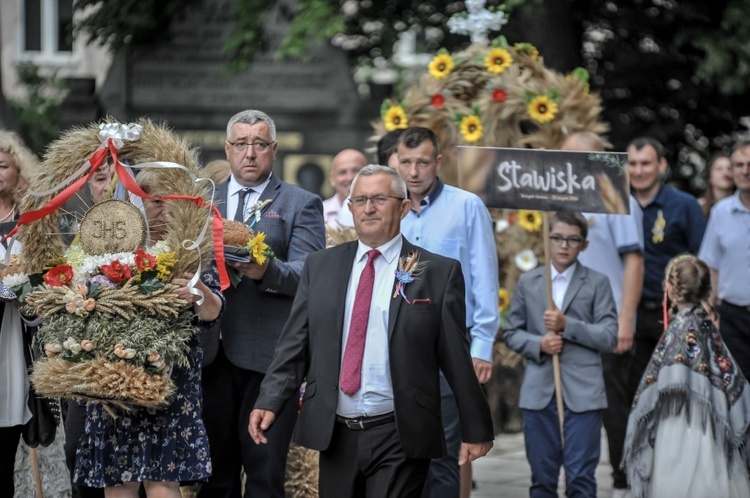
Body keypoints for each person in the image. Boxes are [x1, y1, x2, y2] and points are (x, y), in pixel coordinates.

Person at [248, 165, 494, 497]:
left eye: (380, 198)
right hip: (337, 432)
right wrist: (270, 399)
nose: (369, 208)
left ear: (404, 207)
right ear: (349, 208)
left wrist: (476, 427)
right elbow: (295, 344)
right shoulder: (321, 266)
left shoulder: (437, 272)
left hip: (400, 431)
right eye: (360, 199)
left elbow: (455, 355)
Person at [72, 167, 224, 497]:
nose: (164, 210)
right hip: (116, 376)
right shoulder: (106, 249)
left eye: (173, 201)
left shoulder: (192, 250)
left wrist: (197, 289)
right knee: (119, 479)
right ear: (134, 203)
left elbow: (213, 310)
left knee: (162, 480)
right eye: (155, 201)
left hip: (171, 381)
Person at [199, 110, 325, 498]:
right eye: (241, 144)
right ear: (227, 149)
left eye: (259, 144)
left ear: (273, 150)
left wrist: (265, 270)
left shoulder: (299, 203)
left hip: (268, 362)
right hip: (209, 356)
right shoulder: (202, 202)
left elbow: (310, 274)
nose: (249, 153)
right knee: (213, 478)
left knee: (264, 477)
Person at [393, 126, 499, 498]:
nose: (414, 171)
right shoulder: (389, 209)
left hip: (449, 344)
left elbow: (484, 275)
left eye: (422, 162)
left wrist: (482, 344)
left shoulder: (466, 206)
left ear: (438, 162)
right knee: (402, 446)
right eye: (406, 162)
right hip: (399, 342)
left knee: (447, 448)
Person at [504, 211, 618, 498]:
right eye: (557, 238)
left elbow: (609, 336)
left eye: (572, 239)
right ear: (548, 240)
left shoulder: (597, 282)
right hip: (540, 393)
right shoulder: (530, 282)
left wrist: (569, 326)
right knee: (542, 479)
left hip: (583, 393)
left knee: (580, 477)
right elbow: (512, 333)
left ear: (584, 244)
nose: (564, 245)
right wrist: (539, 344)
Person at [622, 255, 750, 498]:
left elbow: (659, 386)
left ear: (669, 289)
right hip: (712, 430)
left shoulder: (677, 332)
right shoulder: (708, 330)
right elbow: (731, 379)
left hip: (675, 430)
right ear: (706, 290)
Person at [562, 131, 644, 497]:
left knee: (613, 408)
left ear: (600, 159)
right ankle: (576, 479)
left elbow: (635, 261)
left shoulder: (617, 193)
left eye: (580, 157)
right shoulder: (558, 197)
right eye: (565, 157)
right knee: (570, 408)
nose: (571, 164)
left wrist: (625, 320)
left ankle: (624, 482)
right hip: (565, 323)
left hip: (607, 321)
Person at [626, 137, 706, 414]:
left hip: (673, 314)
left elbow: (701, 260)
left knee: (673, 392)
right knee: (631, 393)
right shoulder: (615, 204)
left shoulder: (684, 205)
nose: (638, 171)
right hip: (628, 314)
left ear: (661, 165)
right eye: (632, 164)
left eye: (645, 163)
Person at [0, 131, 35, 497]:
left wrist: (20, 290)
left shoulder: (33, 221)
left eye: (1, 165)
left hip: (11, 339)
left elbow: (45, 280)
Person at [699, 140, 750, 380]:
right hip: (732, 317)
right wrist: (709, 311)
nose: (744, 170)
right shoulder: (721, 212)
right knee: (736, 387)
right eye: (738, 165)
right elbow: (711, 266)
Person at [322, 148, 366, 226]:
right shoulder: (320, 213)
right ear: (332, 179)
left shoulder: (378, 211)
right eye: (342, 172)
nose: (350, 178)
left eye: (356, 171)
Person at [698, 153, 735, 218]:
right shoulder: (699, 206)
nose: (725, 173)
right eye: (719, 169)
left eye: (729, 169)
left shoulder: (744, 206)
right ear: (710, 176)